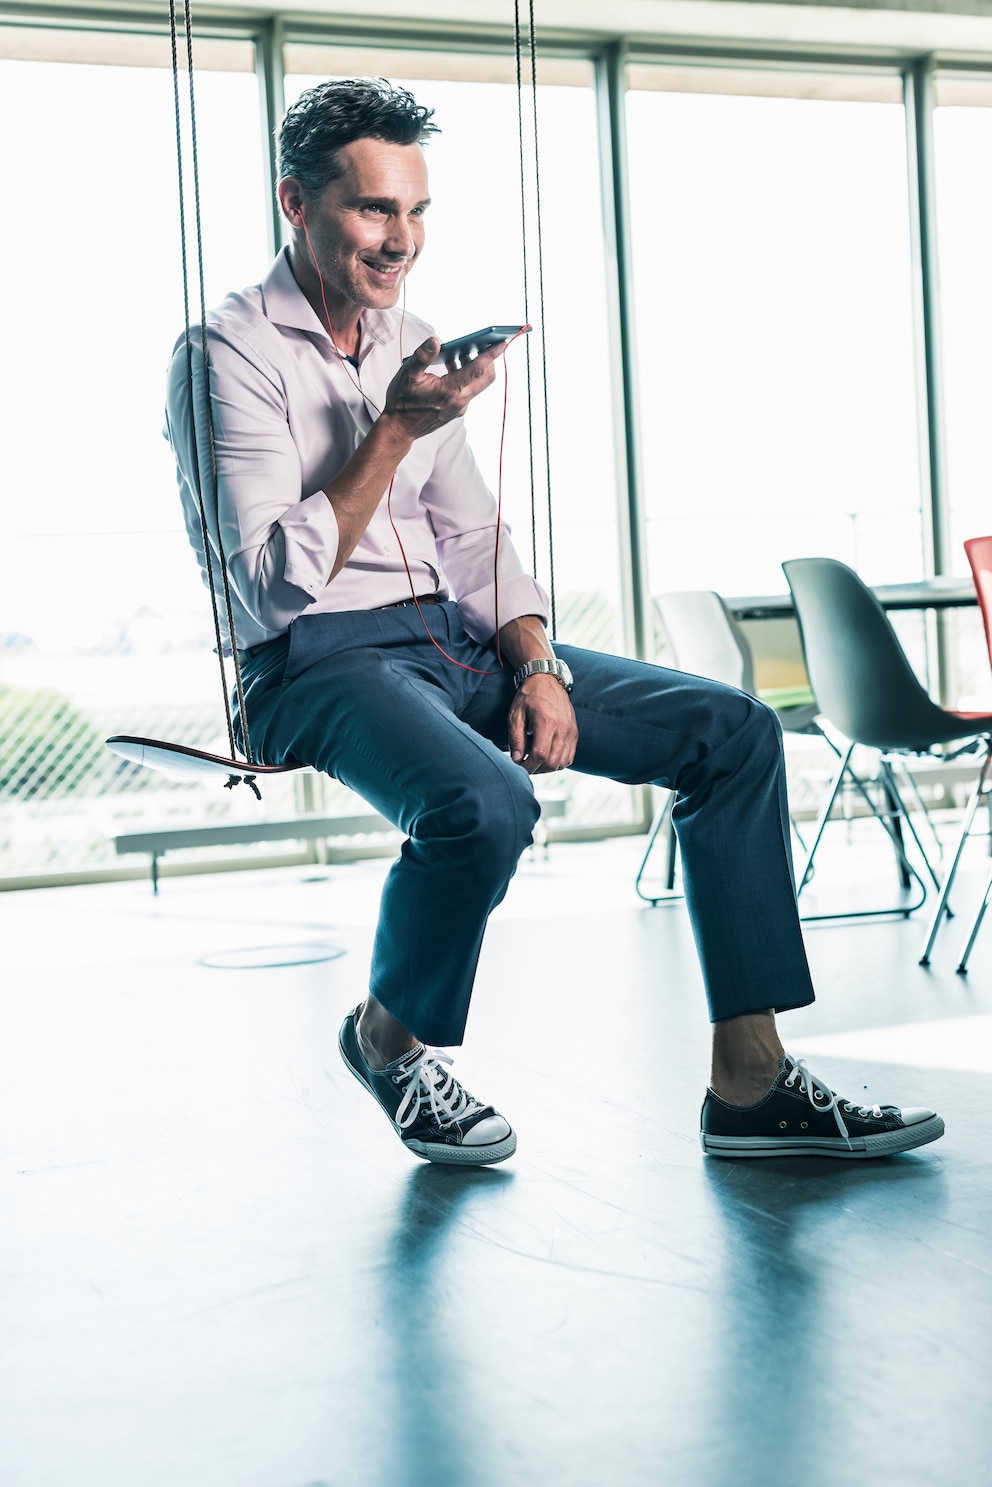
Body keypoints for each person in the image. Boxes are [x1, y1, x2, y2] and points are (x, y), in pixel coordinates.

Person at [166, 78, 944, 1167]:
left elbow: (473, 532)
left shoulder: (413, 334)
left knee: (730, 733)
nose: (402, 241)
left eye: (418, 211)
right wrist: (391, 430)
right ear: (296, 203)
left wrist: (535, 662)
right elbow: (267, 589)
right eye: (373, 210)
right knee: (482, 802)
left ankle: (751, 1083)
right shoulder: (223, 356)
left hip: (449, 635)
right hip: (314, 660)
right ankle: (389, 1043)